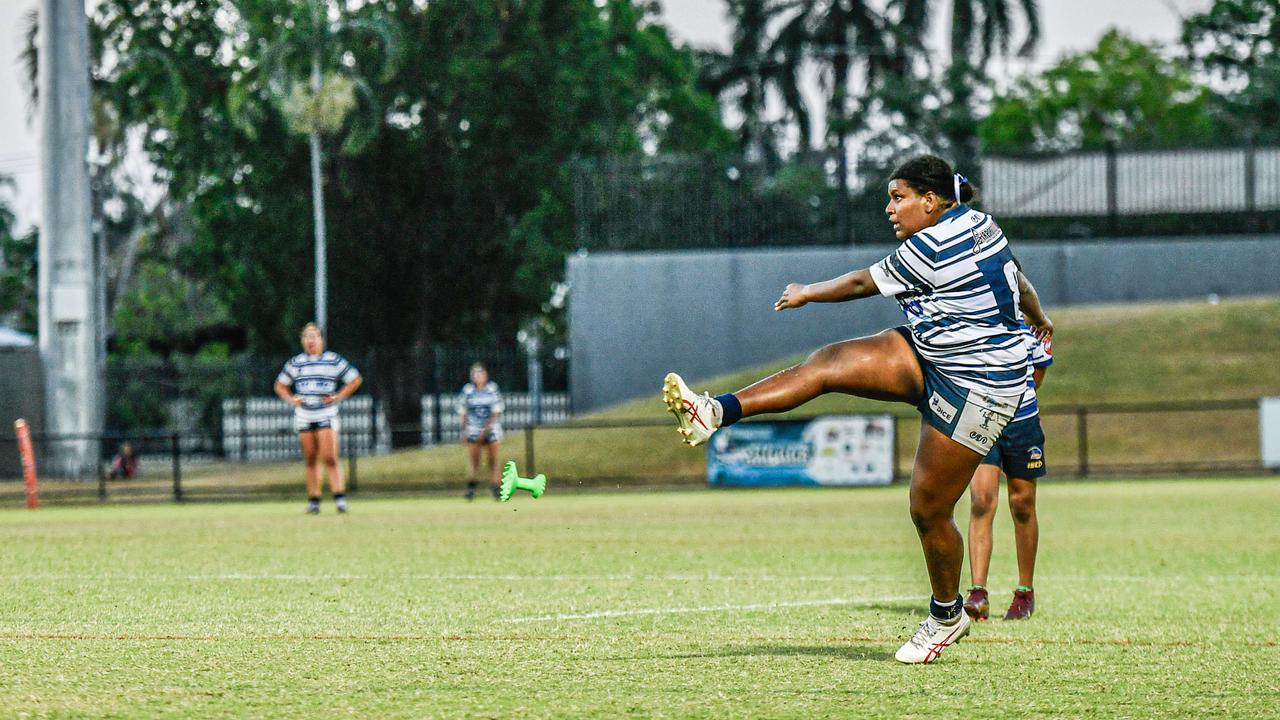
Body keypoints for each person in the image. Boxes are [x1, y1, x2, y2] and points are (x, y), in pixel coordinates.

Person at [662, 154, 1052, 664]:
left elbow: (858, 284)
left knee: (928, 510)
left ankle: (946, 616)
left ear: (930, 202)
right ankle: (711, 413)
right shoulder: (981, 225)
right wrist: (1041, 318)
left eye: (899, 197)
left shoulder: (932, 244)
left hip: (980, 384)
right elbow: (1019, 282)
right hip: (936, 350)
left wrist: (806, 292)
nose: (890, 208)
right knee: (828, 365)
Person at [964, 323, 1054, 621]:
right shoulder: (976, 314)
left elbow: (1038, 373)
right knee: (981, 498)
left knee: (1022, 504)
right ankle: (978, 593)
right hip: (982, 420)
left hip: (1022, 421)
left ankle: (1024, 592)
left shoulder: (1035, 324)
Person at [274, 322, 363, 514]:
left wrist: (338, 396)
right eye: (306, 336)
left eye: (313, 336)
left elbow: (355, 379)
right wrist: (292, 400)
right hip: (304, 414)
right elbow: (280, 385)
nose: (310, 340)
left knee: (330, 457)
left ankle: (339, 498)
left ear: (321, 339)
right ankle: (314, 500)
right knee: (311, 458)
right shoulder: (296, 362)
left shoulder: (332, 361)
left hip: (326, 412)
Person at [459, 362, 505, 500]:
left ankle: (496, 488)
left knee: (493, 460)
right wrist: (465, 430)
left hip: (491, 429)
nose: (478, 376)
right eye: (475, 374)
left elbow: (496, 411)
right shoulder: (468, 391)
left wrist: (485, 430)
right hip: (473, 429)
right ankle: (471, 488)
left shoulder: (492, 389)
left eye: (480, 373)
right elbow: (463, 412)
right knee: (474, 460)